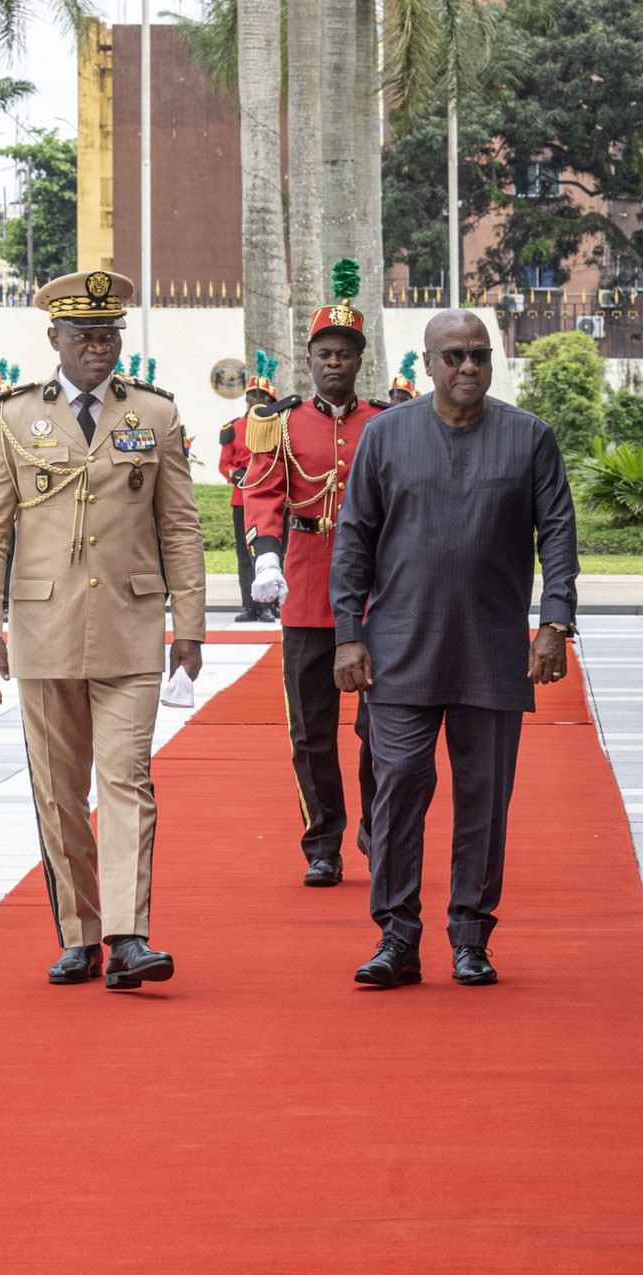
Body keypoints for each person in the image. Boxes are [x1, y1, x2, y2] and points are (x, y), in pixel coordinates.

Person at [0, 269, 205, 988]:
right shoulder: (13, 418)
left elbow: (182, 526)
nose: (101, 349)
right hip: (44, 627)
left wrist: (188, 620)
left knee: (127, 778)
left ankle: (130, 936)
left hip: (131, 623)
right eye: (87, 337)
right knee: (59, 790)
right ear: (55, 340)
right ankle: (81, 933)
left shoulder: (155, 415)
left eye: (110, 336)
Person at [330, 308, 579, 988]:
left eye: (479, 355)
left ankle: (471, 935)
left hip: (492, 649)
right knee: (399, 785)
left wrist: (554, 622)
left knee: (483, 797)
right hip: (399, 650)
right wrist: (348, 633)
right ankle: (397, 936)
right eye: (455, 356)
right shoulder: (385, 438)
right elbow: (352, 540)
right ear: (428, 363)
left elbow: (557, 533)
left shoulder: (529, 439)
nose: (468, 367)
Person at [242, 262, 389, 888]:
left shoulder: (385, 422)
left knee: (383, 725)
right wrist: (267, 555)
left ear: (359, 360)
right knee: (311, 731)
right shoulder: (281, 421)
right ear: (310, 358)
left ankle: (377, 828)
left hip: (377, 594)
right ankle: (323, 840)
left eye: (345, 353)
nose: (334, 363)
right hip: (304, 587)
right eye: (325, 353)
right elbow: (263, 492)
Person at [218, 350, 278, 622]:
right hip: (242, 499)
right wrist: (237, 475)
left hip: (271, 499)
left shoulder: (280, 426)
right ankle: (248, 606)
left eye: (262, 397)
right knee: (244, 555)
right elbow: (224, 463)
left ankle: (268, 605)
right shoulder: (234, 428)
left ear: (270, 400)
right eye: (252, 395)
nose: (256, 400)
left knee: (269, 553)